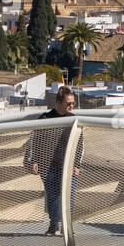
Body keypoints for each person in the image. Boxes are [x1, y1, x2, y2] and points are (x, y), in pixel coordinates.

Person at [24, 86, 84, 236]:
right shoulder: (45, 119)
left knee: (68, 196)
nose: (71, 107)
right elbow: (33, 141)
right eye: (68, 103)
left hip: (68, 167)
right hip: (48, 166)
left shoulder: (74, 120)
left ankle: (67, 226)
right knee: (52, 196)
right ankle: (54, 225)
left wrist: (77, 165)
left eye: (73, 104)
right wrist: (33, 161)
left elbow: (80, 144)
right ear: (58, 102)